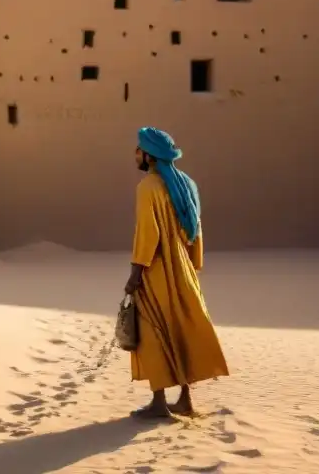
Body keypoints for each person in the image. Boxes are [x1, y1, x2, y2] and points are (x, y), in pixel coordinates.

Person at [124, 127, 229, 420]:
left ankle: (159, 402)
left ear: (149, 155)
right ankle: (185, 399)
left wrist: (136, 273)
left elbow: (148, 234)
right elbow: (196, 229)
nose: (135, 154)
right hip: (182, 268)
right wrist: (192, 264)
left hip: (157, 269)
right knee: (181, 327)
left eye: (138, 149)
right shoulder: (185, 184)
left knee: (154, 329)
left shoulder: (148, 187)